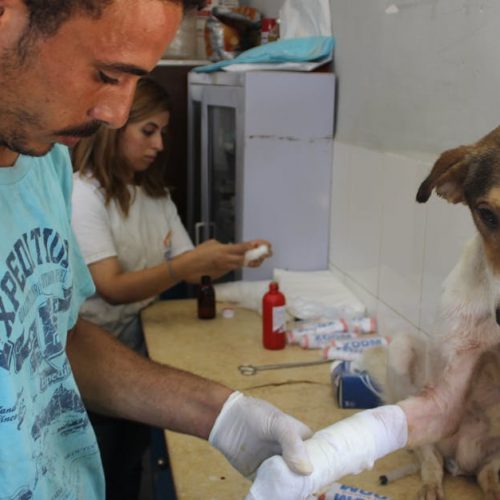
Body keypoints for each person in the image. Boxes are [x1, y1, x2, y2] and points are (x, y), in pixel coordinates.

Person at [0, 1, 313, 498]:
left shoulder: (46, 162)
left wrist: (222, 415)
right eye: (106, 74)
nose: (116, 115)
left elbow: (59, 340)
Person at [71, 76, 271, 498]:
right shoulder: (83, 195)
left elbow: (192, 269)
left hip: (136, 353)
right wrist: (187, 265)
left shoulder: (154, 196)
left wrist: (233, 256)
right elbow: (111, 286)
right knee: (103, 469)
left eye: (163, 133)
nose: (159, 145)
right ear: (114, 127)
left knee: (127, 461)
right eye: (148, 131)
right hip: (90, 362)